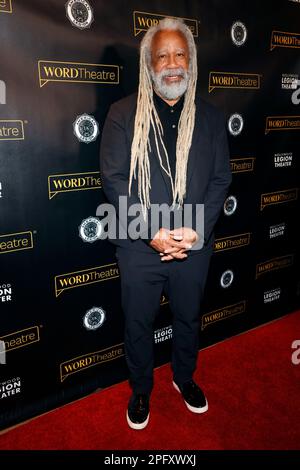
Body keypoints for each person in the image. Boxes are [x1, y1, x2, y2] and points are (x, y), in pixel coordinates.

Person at [100, 17, 232, 430]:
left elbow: (220, 178)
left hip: (194, 239)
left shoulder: (210, 118)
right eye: (162, 55)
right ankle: (141, 389)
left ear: (191, 61)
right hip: (141, 243)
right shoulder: (123, 114)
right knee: (138, 322)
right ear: (149, 63)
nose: (172, 63)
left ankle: (184, 377)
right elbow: (114, 180)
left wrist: (197, 232)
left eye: (180, 54)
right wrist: (151, 232)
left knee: (188, 317)